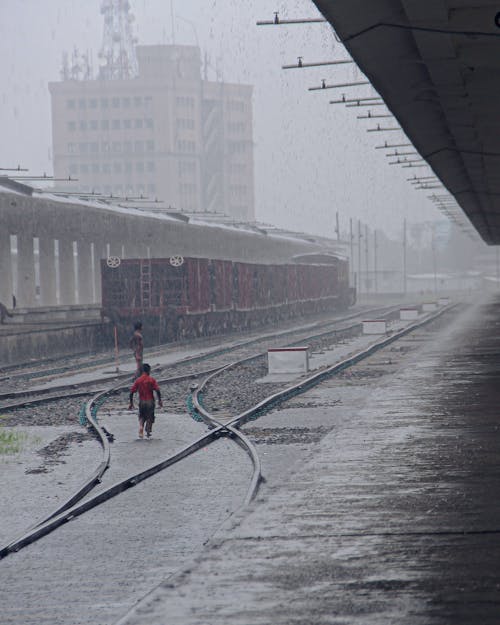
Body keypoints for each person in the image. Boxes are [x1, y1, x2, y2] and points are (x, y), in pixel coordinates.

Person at [128, 363, 162, 439]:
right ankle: (148, 431)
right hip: (150, 401)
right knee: (150, 416)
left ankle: (141, 427)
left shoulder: (138, 380)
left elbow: (131, 392)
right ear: (149, 370)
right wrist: (159, 400)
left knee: (142, 416)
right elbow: (157, 390)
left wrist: (131, 403)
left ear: (143, 370)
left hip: (142, 401)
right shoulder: (151, 380)